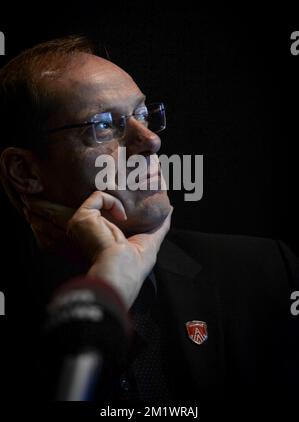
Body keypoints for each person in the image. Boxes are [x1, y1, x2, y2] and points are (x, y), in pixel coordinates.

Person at [0, 36, 298, 414]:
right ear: (25, 171)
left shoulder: (267, 273)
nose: (151, 140)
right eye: (104, 125)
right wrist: (110, 287)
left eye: (143, 115)